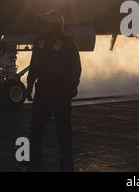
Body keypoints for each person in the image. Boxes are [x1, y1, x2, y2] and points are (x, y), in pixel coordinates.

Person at [26, 11, 82, 172]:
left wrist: (73, 85)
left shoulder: (68, 43)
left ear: (55, 26)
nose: (43, 27)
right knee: (36, 127)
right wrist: (29, 85)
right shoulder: (40, 42)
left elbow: (75, 67)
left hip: (61, 91)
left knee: (63, 127)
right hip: (43, 90)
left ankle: (66, 158)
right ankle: (35, 158)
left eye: (46, 24)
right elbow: (34, 65)